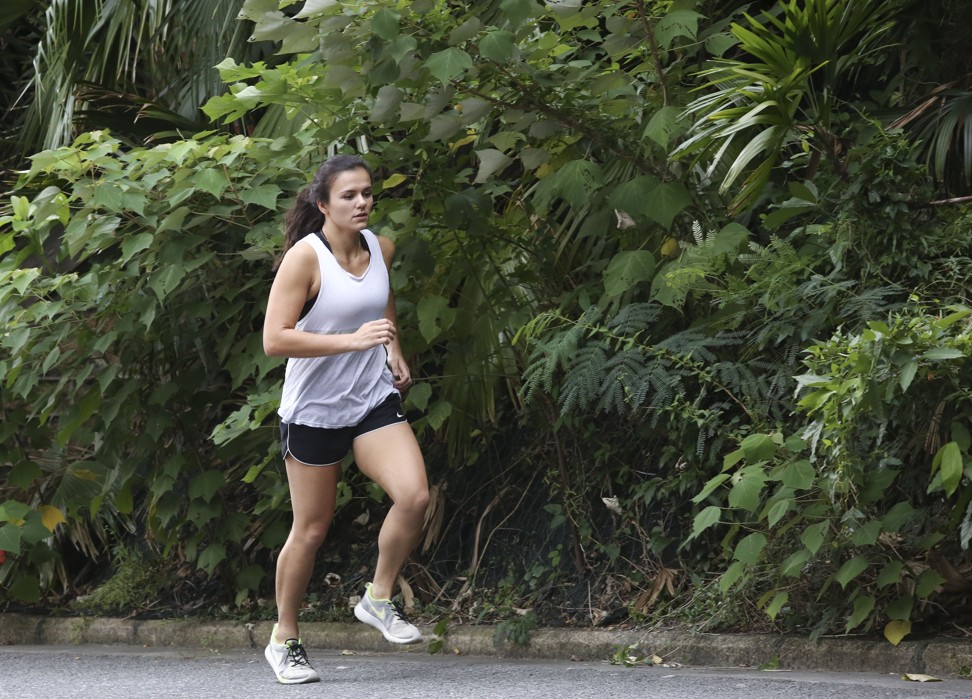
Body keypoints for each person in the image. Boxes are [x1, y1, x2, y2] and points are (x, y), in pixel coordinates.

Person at [261, 154, 430, 684]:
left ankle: (379, 598)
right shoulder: (304, 260)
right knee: (310, 530)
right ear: (323, 204)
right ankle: (284, 638)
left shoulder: (381, 248)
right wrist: (349, 342)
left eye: (367, 193)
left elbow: (382, 301)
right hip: (313, 411)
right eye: (349, 196)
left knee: (415, 496)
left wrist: (392, 347)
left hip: (371, 399)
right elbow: (275, 339)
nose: (362, 203)